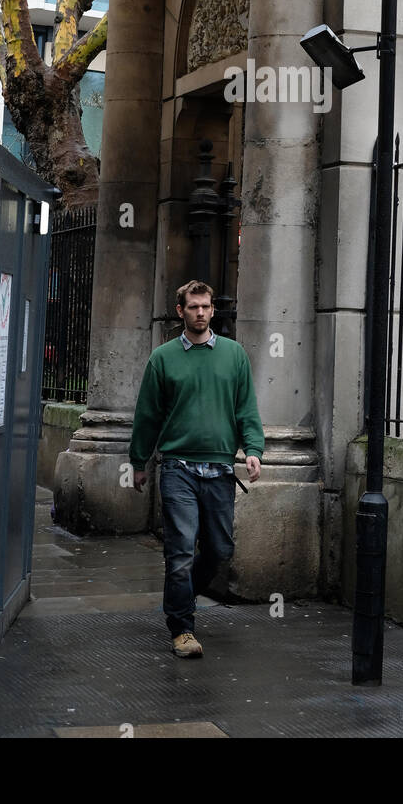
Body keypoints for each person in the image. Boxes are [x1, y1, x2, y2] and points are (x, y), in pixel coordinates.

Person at [129, 280, 265, 658]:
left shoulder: (234, 355)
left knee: (220, 550)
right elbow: (148, 415)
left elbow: (246, 408)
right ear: (180, 311)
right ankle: (182, 627)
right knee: (181, 552)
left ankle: (181, 598)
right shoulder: (163, 359)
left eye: (206, 306)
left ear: (212, 310)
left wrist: (253, 449)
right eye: (193, 307)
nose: (201, 312)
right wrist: (139, 461)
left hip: (220, 470)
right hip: (178, 469)